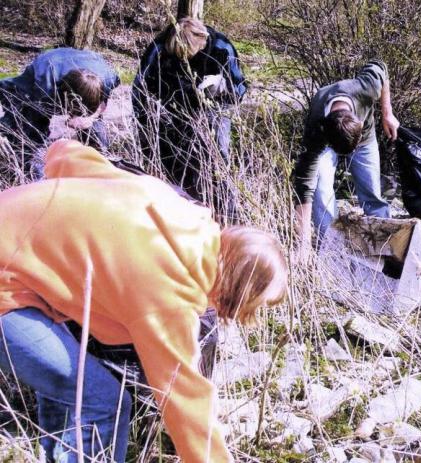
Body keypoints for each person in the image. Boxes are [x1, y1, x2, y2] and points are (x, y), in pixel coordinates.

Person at [0, 139, 287, 462]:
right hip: (5, 286)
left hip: (12, 255)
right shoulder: (170, 291)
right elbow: (183, 397)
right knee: (100, 401)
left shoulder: (172, 209)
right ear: (240, 289)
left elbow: (66, 154)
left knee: (74, 390)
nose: (253, 313)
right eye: (257, 304)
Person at [132, 16, 246, 216]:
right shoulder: (159, 47)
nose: (184, 60)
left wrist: (222, 86)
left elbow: (240, 90)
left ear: (202, 41)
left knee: (216, 159)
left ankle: (225, 215)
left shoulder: (221, 48)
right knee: (171, 160)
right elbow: (140, 89)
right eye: (178, 54)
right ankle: (178, 213)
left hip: (214, 109)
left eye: (188, 54)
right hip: (173, 107)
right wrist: (146, 129)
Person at [292, 60, 400, 253]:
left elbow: (381, 66)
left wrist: (387, 113)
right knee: (321, 192)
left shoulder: (366, 88)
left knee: (372, 191)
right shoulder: (317, 126)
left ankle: (384, 245)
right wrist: (303, 244)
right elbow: (304, 185)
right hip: (329, 141)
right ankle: (330, 249)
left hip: (365, 139)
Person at [0, 47, 120, 178]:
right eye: (75, 110)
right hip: (50, 64)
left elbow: (103, 104)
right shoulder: (45, 86)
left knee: (97, 134)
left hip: (87, 60)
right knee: (28, 134)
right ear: (65, 98)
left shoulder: (108, 79)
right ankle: (29, 177)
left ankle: (103, 169)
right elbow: (16, 102)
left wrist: (91, 117)